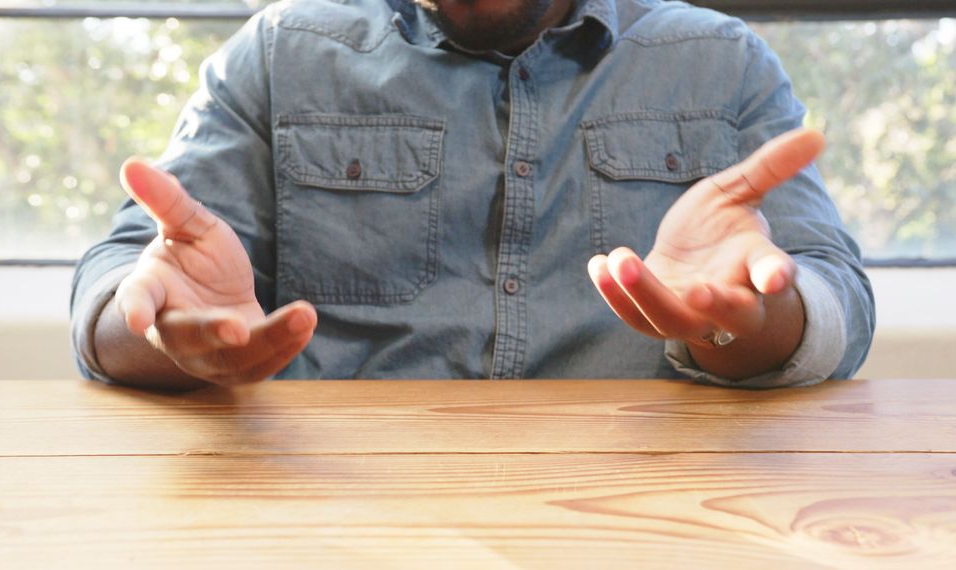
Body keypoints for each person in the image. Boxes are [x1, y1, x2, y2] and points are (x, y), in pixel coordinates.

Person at [70, 0, 875, 391]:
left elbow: (838, 307)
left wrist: (748, 320)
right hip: (326, 519)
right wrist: (161, 330)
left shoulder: (720, 62)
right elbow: (121, 287)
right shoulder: (280, 55)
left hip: (651, 518)